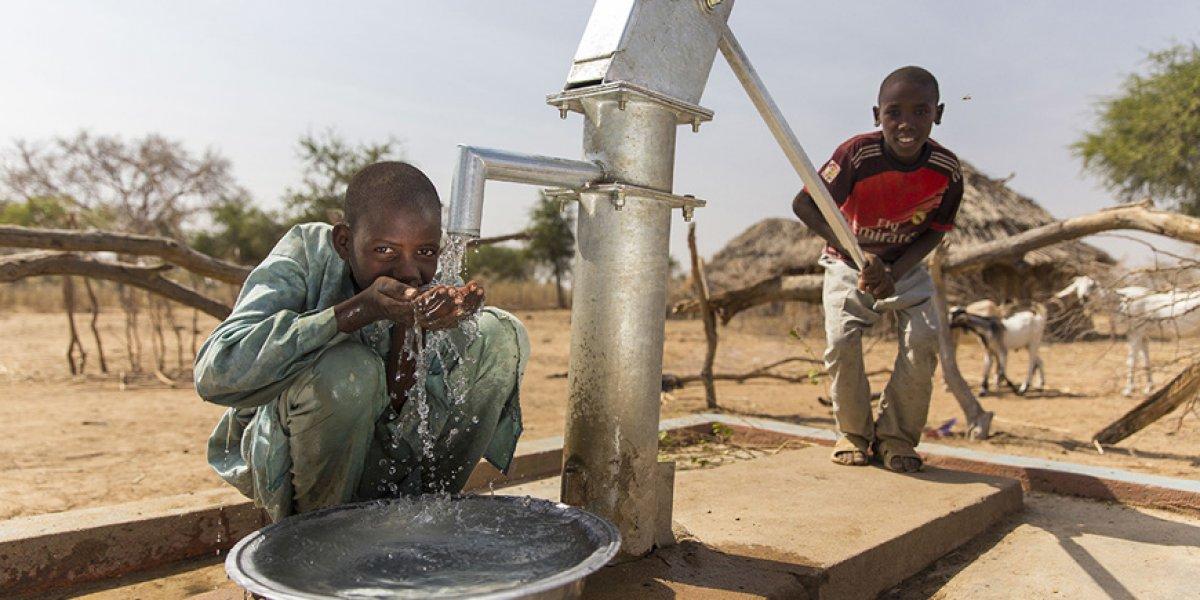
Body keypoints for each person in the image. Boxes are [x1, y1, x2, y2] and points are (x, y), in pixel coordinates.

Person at [194, 161, 529, 520]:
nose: (409, 272)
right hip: (290, 456)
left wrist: (438, 323)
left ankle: (425, 518)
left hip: (378, 455)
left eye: (426, 252)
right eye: (385, 250)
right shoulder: (306, 254)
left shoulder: (427, 280)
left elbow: (403, 401)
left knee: (499, 333)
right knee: (350, 370)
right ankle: (315, 536)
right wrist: (359, 310)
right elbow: (216, 371)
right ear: (344, 241)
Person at [792, 66, 962, 473]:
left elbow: (937, 231)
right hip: (848, 261)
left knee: (922, 340)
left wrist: (896, 269)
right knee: (841, 342)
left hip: (905, 266)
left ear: (938, 114)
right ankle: (852, 433)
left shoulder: (946, 171)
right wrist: (858, 259)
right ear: (876, 115)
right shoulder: (856, 155)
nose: (906, 124)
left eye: (920, 112)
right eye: (894, 113)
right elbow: (804, 205)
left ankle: (897, 438)